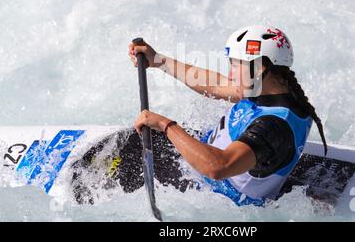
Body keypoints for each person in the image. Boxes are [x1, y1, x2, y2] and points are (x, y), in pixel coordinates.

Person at [128, 25, 327, 206]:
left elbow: (218, 167)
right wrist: (158, 60)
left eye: (235, 65)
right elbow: (215, 84)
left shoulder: (273, 126)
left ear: (259, 68)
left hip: (210, 196)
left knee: (130, 154)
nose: (230, 74)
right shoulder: (268, 89)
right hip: (201, 169)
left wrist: (165, 124)